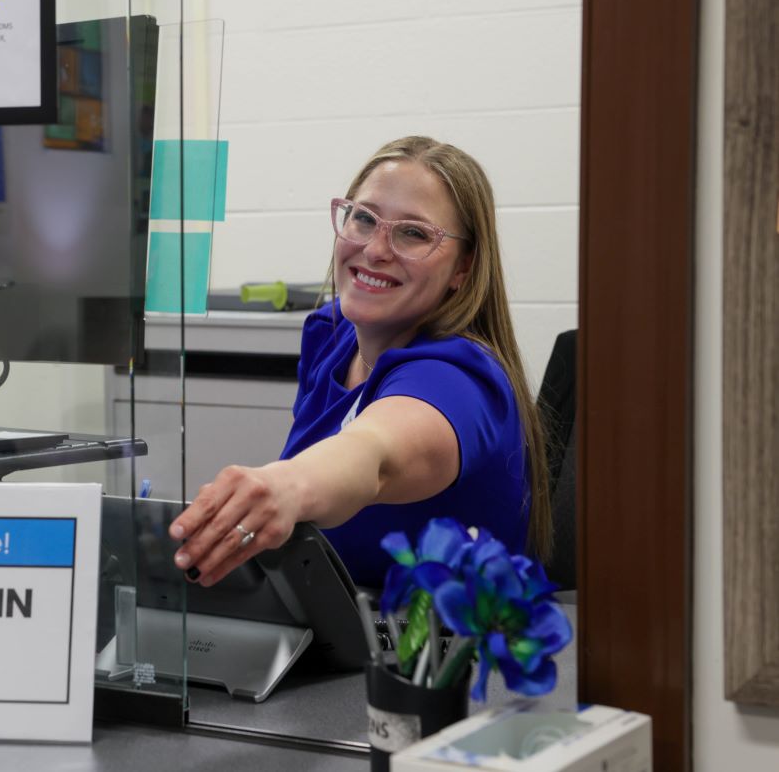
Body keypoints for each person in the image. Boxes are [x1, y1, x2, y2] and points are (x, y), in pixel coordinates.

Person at [169, 136, 551, 590]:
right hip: (341, 640)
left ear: (464, 269)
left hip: (441, 657)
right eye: (364, 219)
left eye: (414, 233)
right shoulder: (332, 336)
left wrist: (285, 486)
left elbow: (374, 457)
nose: (375, 249)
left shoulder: (458, 378)